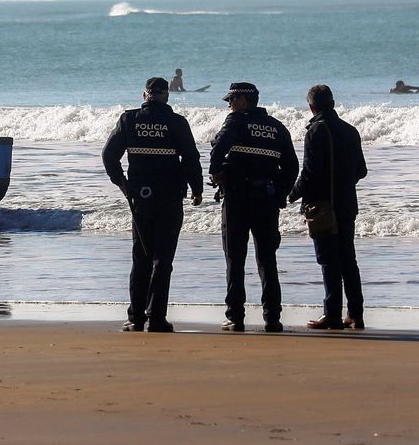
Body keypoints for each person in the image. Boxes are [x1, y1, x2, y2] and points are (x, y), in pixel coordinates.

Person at [103, 77, 204, 333]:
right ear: (166, 96)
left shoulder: (129, 120)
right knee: (163, 259)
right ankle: (157, 318)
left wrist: (121, 183)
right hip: (170, 198)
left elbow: (108, 154)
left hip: (140, 197)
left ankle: (136, 318)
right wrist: (197, 189)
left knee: (141, 258)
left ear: (144, 94)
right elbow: (191, 158)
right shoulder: (177, 122)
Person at [209, 83, 298, 333]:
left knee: (235, 259)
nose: (228, 104)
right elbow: (292, 168)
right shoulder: (277, 128)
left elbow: (218, 148)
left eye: (231, 99)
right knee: (267, 260)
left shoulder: (235, 121)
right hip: (267, 201)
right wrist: (280, 195)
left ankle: (235, 316)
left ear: (244, 101)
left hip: (237, 198)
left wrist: (216, 173)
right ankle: (272, 318)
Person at [289, 84, 367, 330]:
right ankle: (355, 314)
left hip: (322, 206)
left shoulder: (316, 130)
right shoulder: (350, 130)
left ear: (311, 106)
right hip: (347, 204)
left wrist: (291, 195)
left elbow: (310, 173)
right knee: (348, 259)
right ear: (332, 103)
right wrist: (343, 183)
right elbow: (361, 171)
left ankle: (332, 314)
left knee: (328, 260)